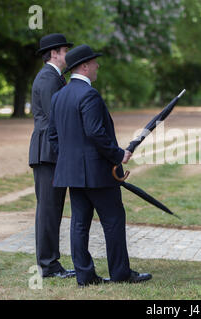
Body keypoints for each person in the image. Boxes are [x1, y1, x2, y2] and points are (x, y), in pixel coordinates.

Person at [48, 44, 152, 287]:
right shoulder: (89, 95)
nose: (98, 66)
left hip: (72, 173)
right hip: (96, 173)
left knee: (79, 223)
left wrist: (69, 160)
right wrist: (118, 155)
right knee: (114, 219)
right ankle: (120, 273)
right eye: (94, 62)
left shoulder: (58, 96)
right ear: (84, 66)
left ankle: (85, 275)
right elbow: (95, 133)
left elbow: (53, 136)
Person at [29, 33, 75, 279]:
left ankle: (50, 263)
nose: (68, 55)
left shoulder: (54, 77)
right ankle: (47, 265)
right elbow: (55, 117)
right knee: (48, 210)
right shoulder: (48, 78)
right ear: (55, 53)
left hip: (50, 151)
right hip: (47, 151)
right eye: (66, 50)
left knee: (53, 208)